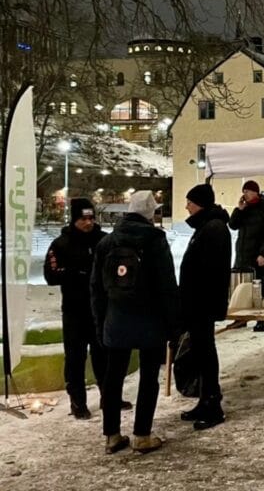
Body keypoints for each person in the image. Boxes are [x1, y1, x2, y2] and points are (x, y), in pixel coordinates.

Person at [91, 191, 178, 454]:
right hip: (150, 319)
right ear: (151, 213)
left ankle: (112, 436)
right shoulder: (155, 240)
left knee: (113, 376)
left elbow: (96, 288)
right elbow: (167, 286)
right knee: (149, 377)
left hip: (116, 319)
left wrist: (100, 323)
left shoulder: (107, 242)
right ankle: (142, 435)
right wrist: (174, 324)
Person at [44, 198, 132, 420]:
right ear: (74, 219)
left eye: (91, 218)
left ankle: (109, 397)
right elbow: (51, 275)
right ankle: (78, 401)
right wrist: (76, 273)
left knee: (103, 354)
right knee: (75, 357)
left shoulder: (104, 241)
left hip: (100, 309)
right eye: (83, 218)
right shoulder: (60, 244)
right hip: (74, 310)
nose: (88, 222)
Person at [178, 184, 231, 430]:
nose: (186, 206)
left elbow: (211, 271)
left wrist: (197, 300)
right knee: (201, 352)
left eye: (189, 201)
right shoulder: (206, 226)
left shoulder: (214, 228)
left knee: (206, 353)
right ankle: (205, 399)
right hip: (197, 303)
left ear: (199, 203)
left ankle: (213, 404)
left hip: (203, 303)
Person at [229, 180, 264, 332]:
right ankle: (240, 318)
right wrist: (239, 210)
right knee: (241, 288)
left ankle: (261, 319)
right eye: (244, 191)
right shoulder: (245, 209)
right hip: (243, 254)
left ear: (256, 192)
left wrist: (263, 254)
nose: (245, 194)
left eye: (248, 191)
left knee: (261, 287)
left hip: (259, 255)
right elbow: (233, 225)